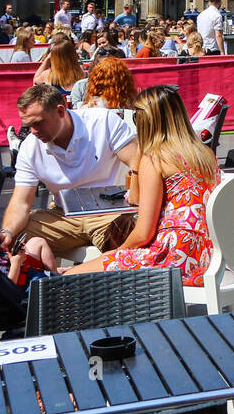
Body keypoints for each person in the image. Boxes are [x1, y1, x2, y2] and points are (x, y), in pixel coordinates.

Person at [66, 85, 220, 286]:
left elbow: (143, 233)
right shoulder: (205, 155)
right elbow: (138, 198)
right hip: (205, 256)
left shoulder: (155, 158)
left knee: (69, 278)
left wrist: (116, 252)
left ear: (144, 121)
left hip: (173, 256)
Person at [0, 84, 140, 260]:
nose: (33, 131)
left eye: (38, 123)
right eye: (28, 125)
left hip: (110, 214)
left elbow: (138, 164)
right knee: (2, 245)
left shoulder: (103, 121)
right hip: (62, 216)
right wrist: (7, 232)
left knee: (127, 244)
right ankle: (25, 282)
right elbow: (20, 203)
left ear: (61, 111)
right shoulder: (29, 147)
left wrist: (138, 199)